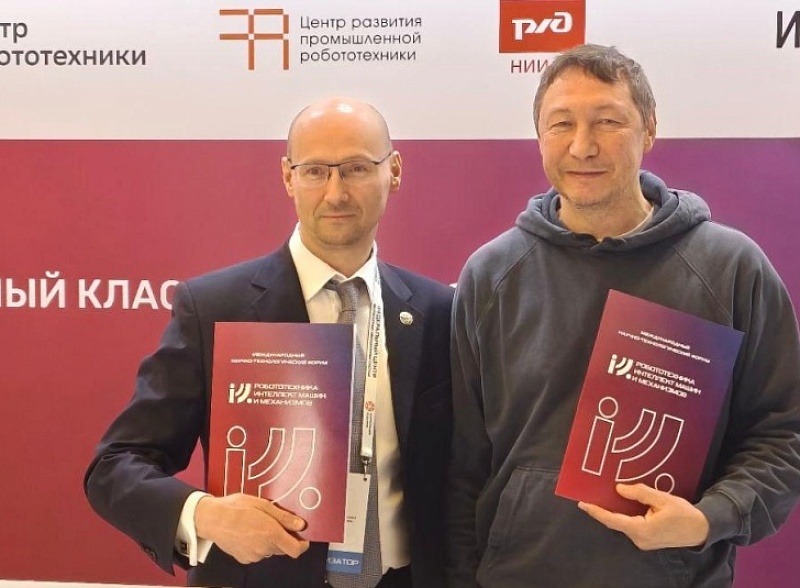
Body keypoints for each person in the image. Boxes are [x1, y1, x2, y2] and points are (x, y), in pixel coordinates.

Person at [445, 44, 800, 587]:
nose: (582, 146)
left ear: (649, 129)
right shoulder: (491, 273)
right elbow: (463, 463)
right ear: (539, 135)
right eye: (561, 124)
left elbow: (783, 433)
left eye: (608, 121)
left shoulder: (729, 267)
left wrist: (710, 518)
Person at [84, 97, 453, 588]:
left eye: (357, 168)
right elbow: (114, 467)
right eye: (315, 171)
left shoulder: (438, 311)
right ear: (287, 177)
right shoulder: (215, 308)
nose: (336, 192)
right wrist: (207, 515)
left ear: (395, 171)